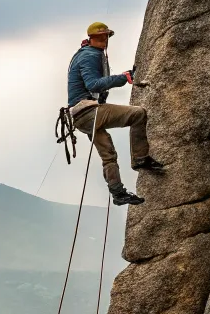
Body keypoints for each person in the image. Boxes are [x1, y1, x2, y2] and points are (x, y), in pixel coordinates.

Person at [66, 21, 165, 207]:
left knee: (108, 155)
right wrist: (124, 78)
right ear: (92, 38)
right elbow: (93, 85)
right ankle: (140, 158)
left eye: (107, 36)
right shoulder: (89, 55)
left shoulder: (86, 54)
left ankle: (118, 193)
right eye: (101, 36)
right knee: (138, 114)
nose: (105, 40)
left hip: (81, 116)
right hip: (88, 111)